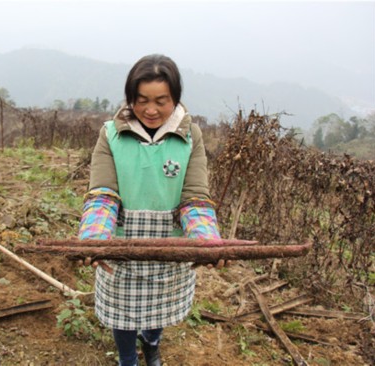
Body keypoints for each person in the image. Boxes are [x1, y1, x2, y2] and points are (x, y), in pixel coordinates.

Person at [78, 54, 221, 366]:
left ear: (175, 99)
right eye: (141, 100)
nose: (151, 110)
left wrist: (206, 241)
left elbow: (194, 198)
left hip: (169, 246)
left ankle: (152, 344)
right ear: (130, 98)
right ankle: (127, 358)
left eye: (161, 101)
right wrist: (94, 239)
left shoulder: (189, 137)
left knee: (157, 307)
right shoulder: (111, 134)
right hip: (120, 243)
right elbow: (103, 194)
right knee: (123, 312)